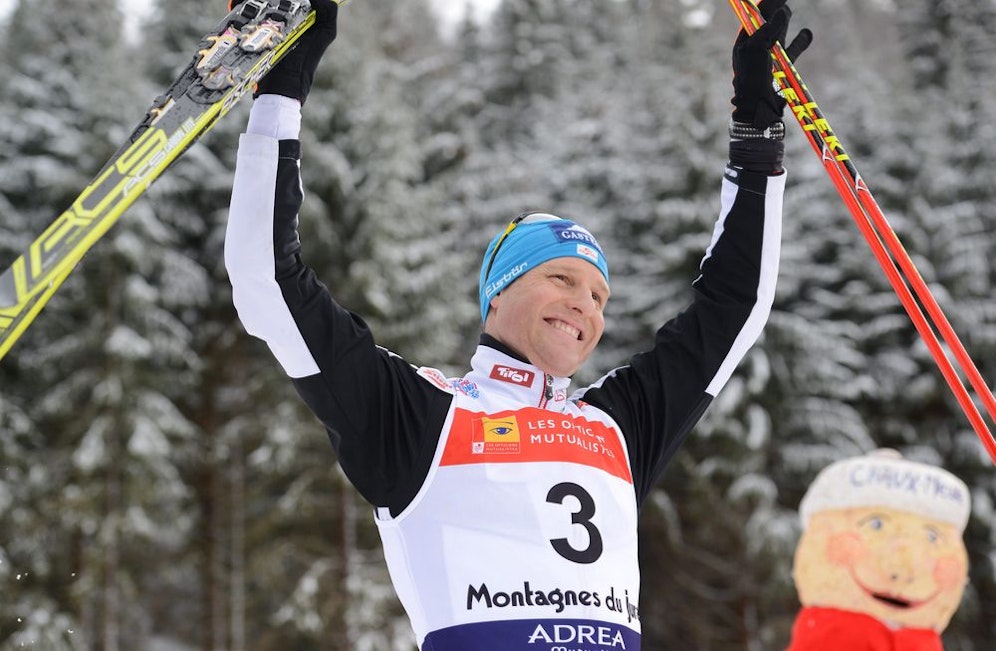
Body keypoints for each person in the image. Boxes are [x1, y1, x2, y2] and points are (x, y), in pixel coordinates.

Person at [224, 0, 812, 648]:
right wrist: (280, 94)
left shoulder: (617, 428)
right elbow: (267, 281)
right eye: (560, 279)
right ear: (497, 295)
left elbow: (734, 305)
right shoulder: (421, 417)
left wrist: (757, 136)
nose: (585, 305)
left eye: (599, 295)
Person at [787, 449, 971, 651]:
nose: (903, 570)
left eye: (932, 537)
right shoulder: (828, 637)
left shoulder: (922, 642)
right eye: (876, 525)